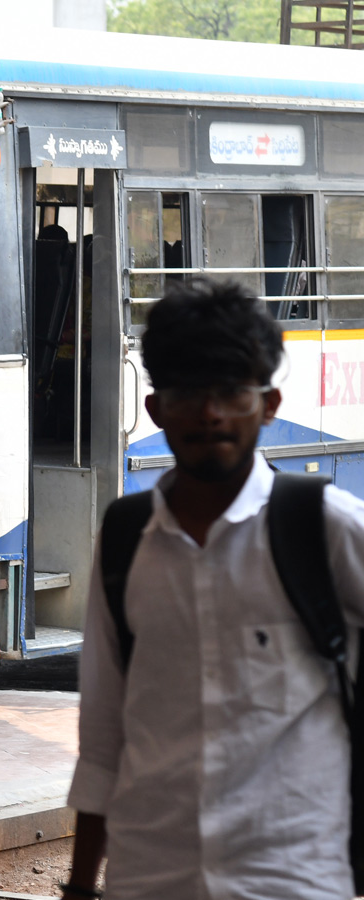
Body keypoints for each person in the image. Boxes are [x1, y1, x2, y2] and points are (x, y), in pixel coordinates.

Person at [63, 279, 364, 900]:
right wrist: (80, 887)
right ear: (154, 410)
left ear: (270, 403)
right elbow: (102, 736)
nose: (209, 414)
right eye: (188, 395)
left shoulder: (326, 527)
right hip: (149, 877)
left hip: (291, 879)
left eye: (230, 392)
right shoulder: (125, 539)